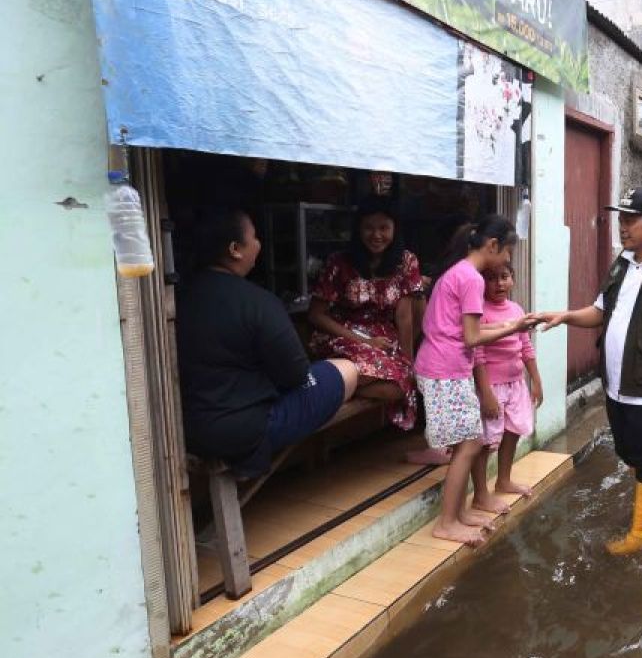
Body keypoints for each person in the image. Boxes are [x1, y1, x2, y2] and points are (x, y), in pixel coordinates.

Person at [539, 189, 642, 555]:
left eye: (630, 220)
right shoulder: (622, 264)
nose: (622, 227)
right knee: (628, 451)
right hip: (617, 384)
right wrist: (565, 316)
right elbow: (600, 312)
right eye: (621, 219)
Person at [177, 209, 359, 479]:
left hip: (189, 427)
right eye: (255, 237)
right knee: (346, 369)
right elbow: (295, 375)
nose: (259, 244)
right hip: (246, 430)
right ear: (235, 249)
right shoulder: (258, 302)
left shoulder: (178, 298)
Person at [413, 215, 539, 546]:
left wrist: (513, 325)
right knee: (470, 444)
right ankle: (447, 522)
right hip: (446, 369)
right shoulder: (471, 279)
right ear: (493, 245)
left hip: (441, 365)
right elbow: (471, 337)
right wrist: (512, 327)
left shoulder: (457, 272)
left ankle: (461, 512)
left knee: (465, 443)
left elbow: (465, 330)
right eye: (508, 254)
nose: (508, 262)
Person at [307, 196, 446, 462]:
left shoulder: (406, 262)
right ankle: (338, 384)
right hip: (342, 335)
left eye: (384, 228)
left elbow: (408, 313)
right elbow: (316, 315)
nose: (377, 235)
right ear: (358, 230)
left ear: (395, 229)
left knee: (400, 384)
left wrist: (408, 359)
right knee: (389, 378)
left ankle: (338, 387)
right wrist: (362, 341)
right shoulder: (339, 262)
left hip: (384, 340)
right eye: (369, 227)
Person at [472, 264, 544, 509]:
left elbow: (525, 346)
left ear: (512, 279)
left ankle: (503, 480)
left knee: (512, 432)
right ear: (482, 282)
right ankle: (480, 494)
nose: (499, 284)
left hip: (516, 384)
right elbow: (477, 355)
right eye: (492, 278)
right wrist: (486, 394)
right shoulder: (479, 312)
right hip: (492, 386)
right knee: (485, 441)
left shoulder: (516, 310)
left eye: (504, 277)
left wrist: (535, 379)